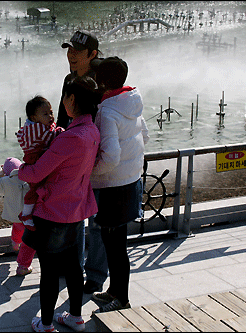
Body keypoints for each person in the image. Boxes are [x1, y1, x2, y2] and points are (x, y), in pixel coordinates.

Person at [18, 76, 100, 332]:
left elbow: (34, 173)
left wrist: (16, 168)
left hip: (53, 213)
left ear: (72, 100)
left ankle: (44, 324)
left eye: (64, 97)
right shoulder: (93, 131)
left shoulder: (69, 138)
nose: (62, 102)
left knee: (50, 272)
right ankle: (75, 317)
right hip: (77, 210)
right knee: (74, 267)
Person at [90, 57, 150, 314]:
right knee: (116, 243)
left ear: (102, 82)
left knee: (115, 248)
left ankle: (122, 298)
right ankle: (114, 290)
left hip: (113, 187)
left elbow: (111, 156)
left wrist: (92, 173)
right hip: (130, 181)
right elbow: (144, 135)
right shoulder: (132, 102)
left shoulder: (108, 110)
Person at [59, 30, 109, 294]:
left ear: (93, 55)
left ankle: (97, 276)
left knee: (99, 222)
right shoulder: (69, 79)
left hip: (98, 161)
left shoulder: (104, 80)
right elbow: (62, 121)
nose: (71, 56)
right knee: (72, 218)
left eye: (77, 52)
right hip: (74, 163)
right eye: (69, 50)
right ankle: (72, 269)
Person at [16, 96, 65, 231]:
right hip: (35, 160)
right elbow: (52, 135)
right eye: (45, 114)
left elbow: (20, 135)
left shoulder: (30, 126)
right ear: (34, 117)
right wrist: (63, 132)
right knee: (35, 189)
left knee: (39, 187)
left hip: (33, 158)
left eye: (51, 112)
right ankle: (26, 215)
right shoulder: (39, 130)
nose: (50, 116)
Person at [0, 157, 36, 276]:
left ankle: (15, 243)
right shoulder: (29, 180)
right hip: (29, 215)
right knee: (29, 240)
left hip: (14, 215)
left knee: (17, 227)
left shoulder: (6, 181)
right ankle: (23, 266)